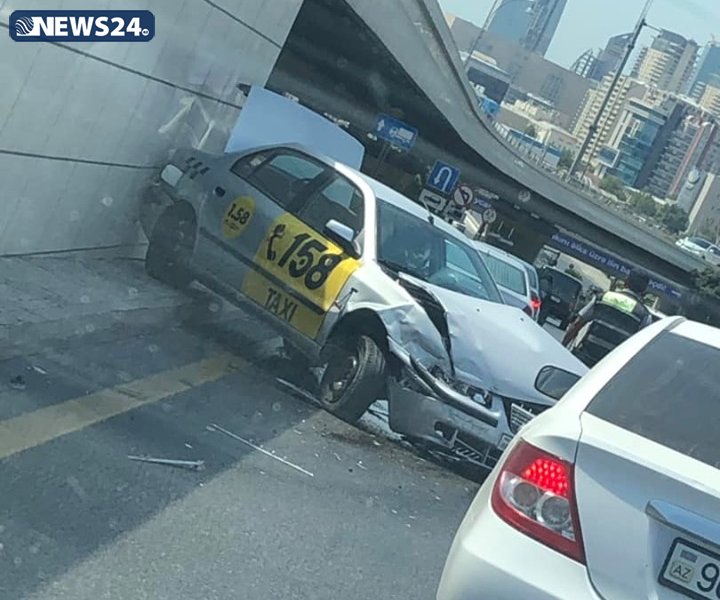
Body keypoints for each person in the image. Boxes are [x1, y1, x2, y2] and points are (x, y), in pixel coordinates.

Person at [562, 268, 653, 366]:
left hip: (584, 358)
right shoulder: (644, 315)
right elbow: (640, 349)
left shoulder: (603, 297)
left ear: (626, 281)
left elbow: (577, 324)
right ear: (644, 290)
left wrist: (562, 348)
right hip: (608, 368)